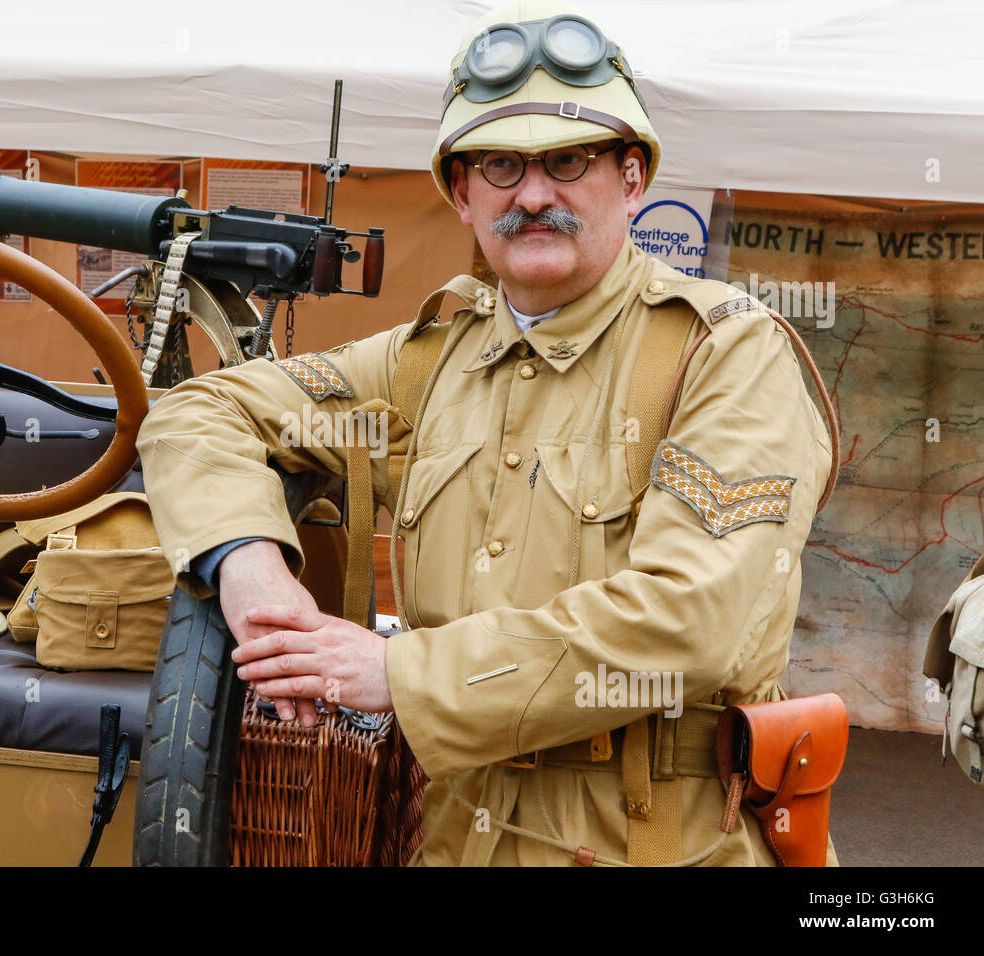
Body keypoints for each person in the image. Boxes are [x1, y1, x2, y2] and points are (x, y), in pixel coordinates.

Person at [135, 0, 837, 866]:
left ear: (632, 177)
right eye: (501, 165)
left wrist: (398, 675)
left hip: (654, 844)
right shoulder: (426, 366)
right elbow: (201, 412)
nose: (534, 194)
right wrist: (250, 571)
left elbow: (693, 622)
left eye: (569, 160)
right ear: (462, 195)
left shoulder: (725, 354)